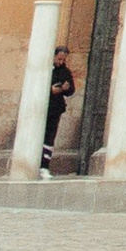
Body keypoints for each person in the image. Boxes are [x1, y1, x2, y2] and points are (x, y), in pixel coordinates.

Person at [42, 45, 76, 173]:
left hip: (55, 109)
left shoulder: (65, 71)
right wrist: (50, 90)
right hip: (43, 107)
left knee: (50, 137)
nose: (61, 62)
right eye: (59, 59)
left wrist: (65, 89)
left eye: (63, 59)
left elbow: (71, 89)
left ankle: (45, 166)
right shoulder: (45, 69)